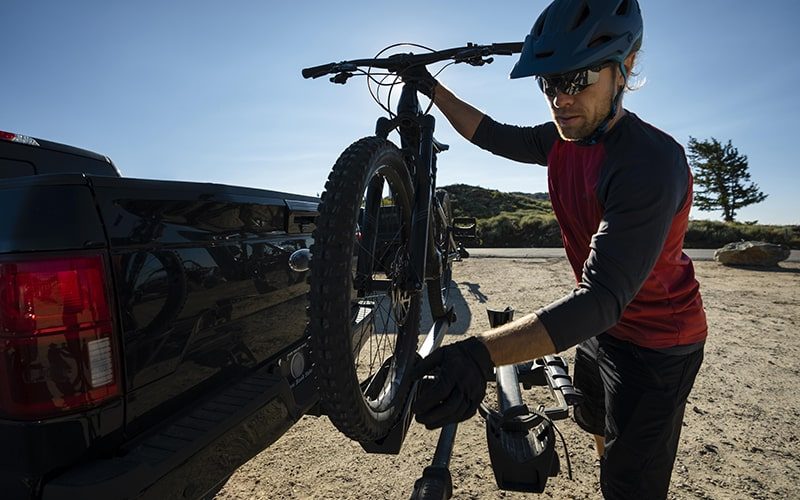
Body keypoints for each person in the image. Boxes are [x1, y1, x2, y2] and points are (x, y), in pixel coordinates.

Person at [409, 0, 708, 498]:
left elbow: (600, 296)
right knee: (592, 416)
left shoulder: (649, 163)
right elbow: (490, 134)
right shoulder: (562, 141)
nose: (560, 99)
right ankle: (606, 457)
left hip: (659, 345)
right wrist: (435, 90)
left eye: (578, 79)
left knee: (629, 484)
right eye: (549, 82)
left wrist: (480, 355)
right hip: (601, 330)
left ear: (626, 65)